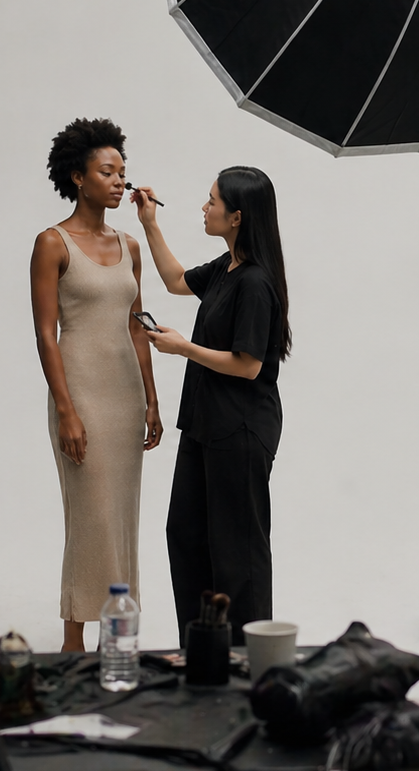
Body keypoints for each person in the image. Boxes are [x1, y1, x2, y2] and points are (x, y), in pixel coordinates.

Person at [131, 167, 290, 645]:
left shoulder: (256, 282)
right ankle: (201, 650)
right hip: (204, 425)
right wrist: (149, 223)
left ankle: (245, 660)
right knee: (186, 536)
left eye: (212, 201)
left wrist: (184, 348)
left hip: (240, 430)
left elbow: (248, 365)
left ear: (237, 217)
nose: (204, 208)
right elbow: (176, 281)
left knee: (237, 554)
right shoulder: (226, 268)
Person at [31, 117, 161, 653]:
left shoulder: (130, 245)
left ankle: (117, 631)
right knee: (89, 516)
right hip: (80, 391)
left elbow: (137, 324)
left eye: (122, 172)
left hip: (125, 396)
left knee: (121, 519)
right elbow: (46, 333)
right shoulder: (52, 243)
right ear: (78, 177)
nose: (119, 181)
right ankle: (73, 640)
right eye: (107, 171)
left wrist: (152, 400)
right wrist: (66, 409)